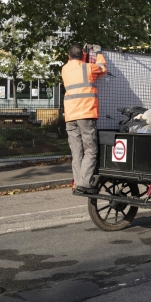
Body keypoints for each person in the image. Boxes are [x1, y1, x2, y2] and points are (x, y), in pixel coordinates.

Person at [62, 44, 107, 194]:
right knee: (90, 150)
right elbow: (102, 68)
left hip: (70, 115)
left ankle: (78, 183)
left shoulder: (65, 69)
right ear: (82, 56)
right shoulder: (88, 68)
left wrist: (86, 53)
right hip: (86, 113)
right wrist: (98, 52)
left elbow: (80, 68)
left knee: (77, 151)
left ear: (69, 56)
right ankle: (85, 184)